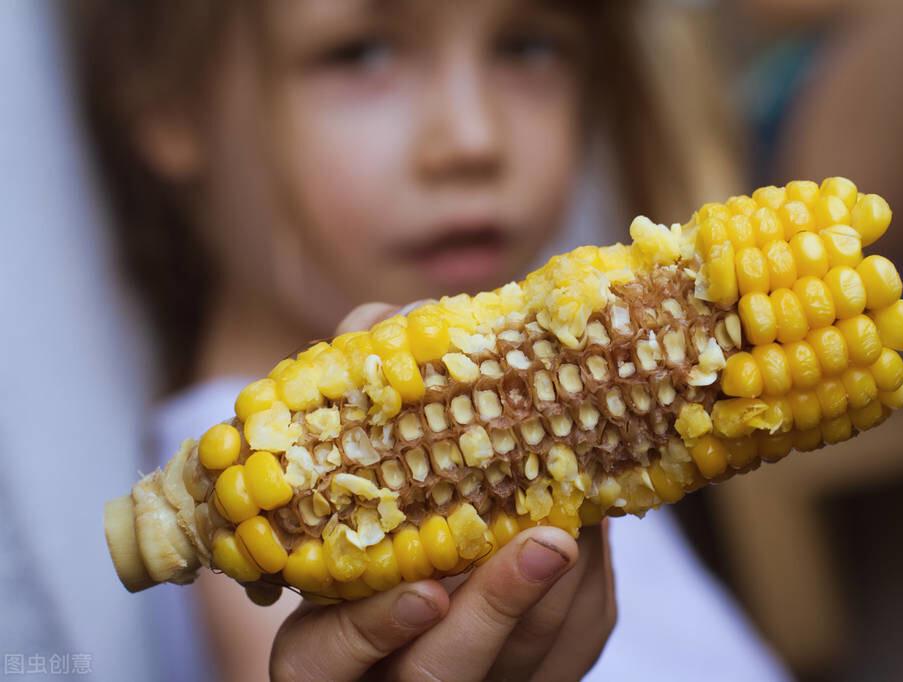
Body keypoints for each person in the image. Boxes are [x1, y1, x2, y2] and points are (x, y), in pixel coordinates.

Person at [70, 1, 787, 679]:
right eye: (361, 52)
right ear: (170, 104)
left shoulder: (605, 421)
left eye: (526, 45)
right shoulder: (273, 536)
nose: (474, 139)